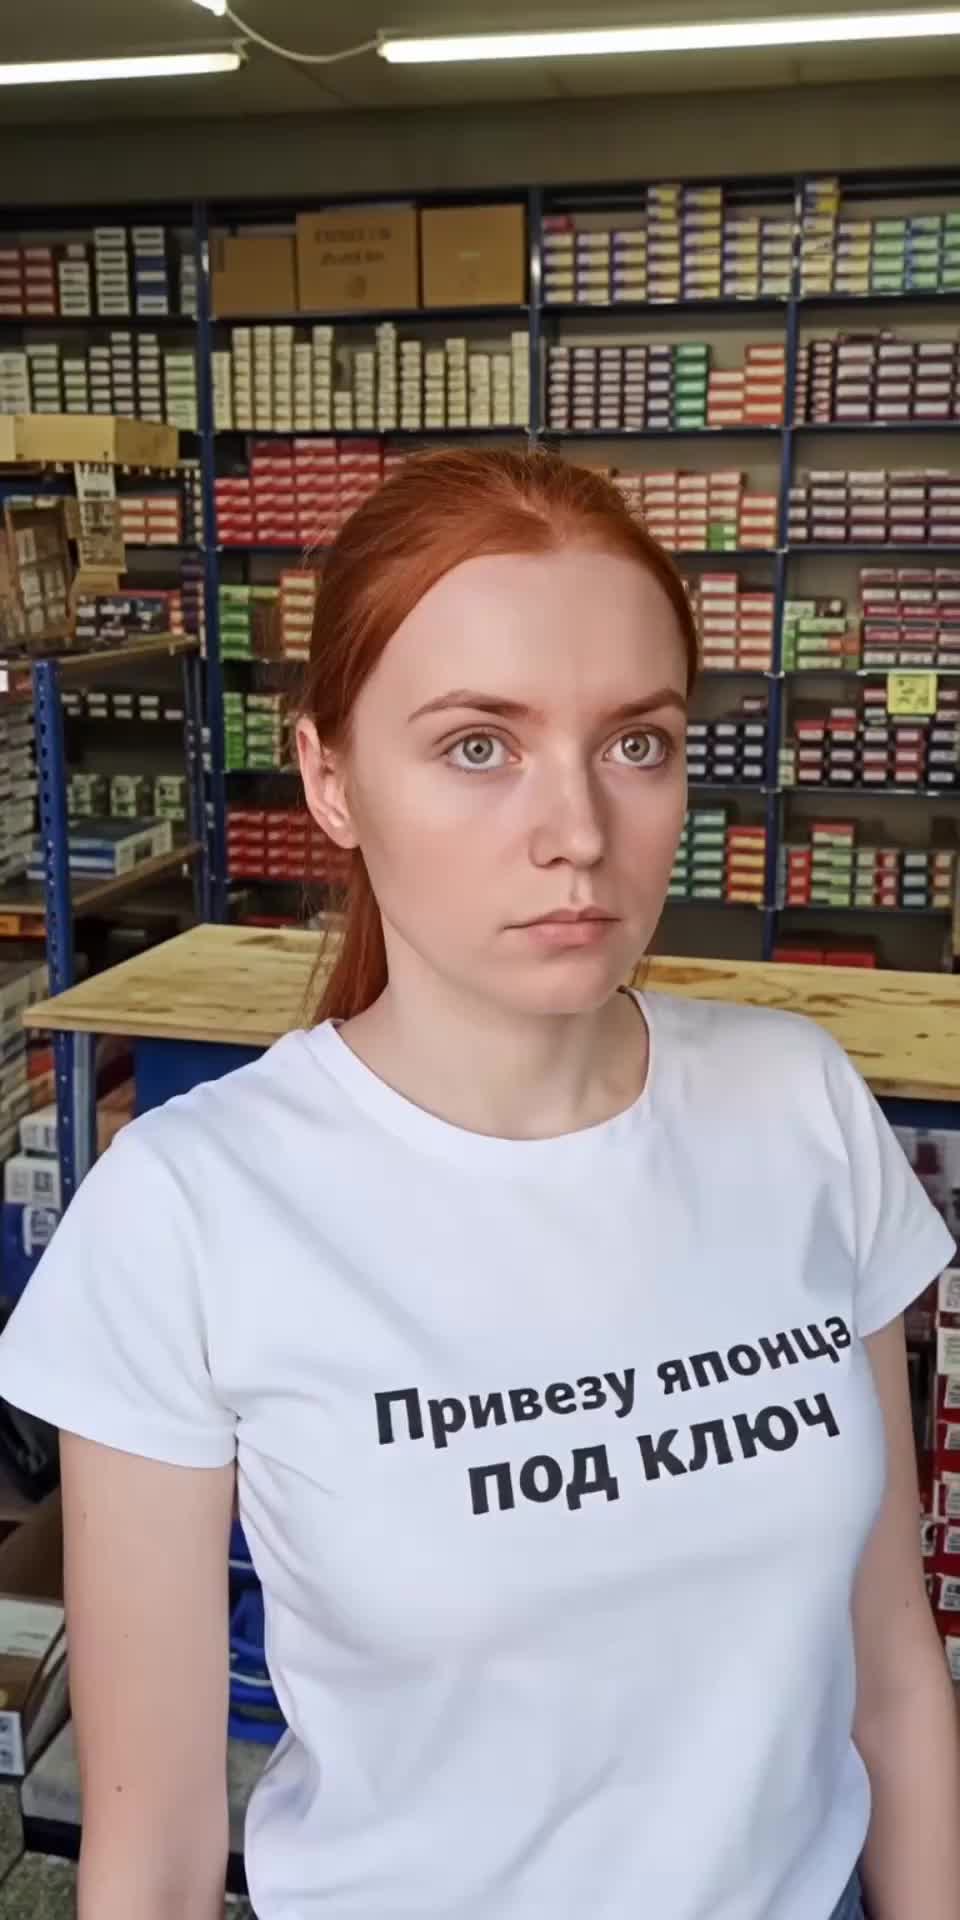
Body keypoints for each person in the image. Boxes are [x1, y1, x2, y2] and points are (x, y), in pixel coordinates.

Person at [0, 448, 955, 1920]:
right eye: (476, 746)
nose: (578, 830)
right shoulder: (189, 1212)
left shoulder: (801, 1108)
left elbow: (892, 1671)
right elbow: (161, 1853)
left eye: (636, 743)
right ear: (329, 778)